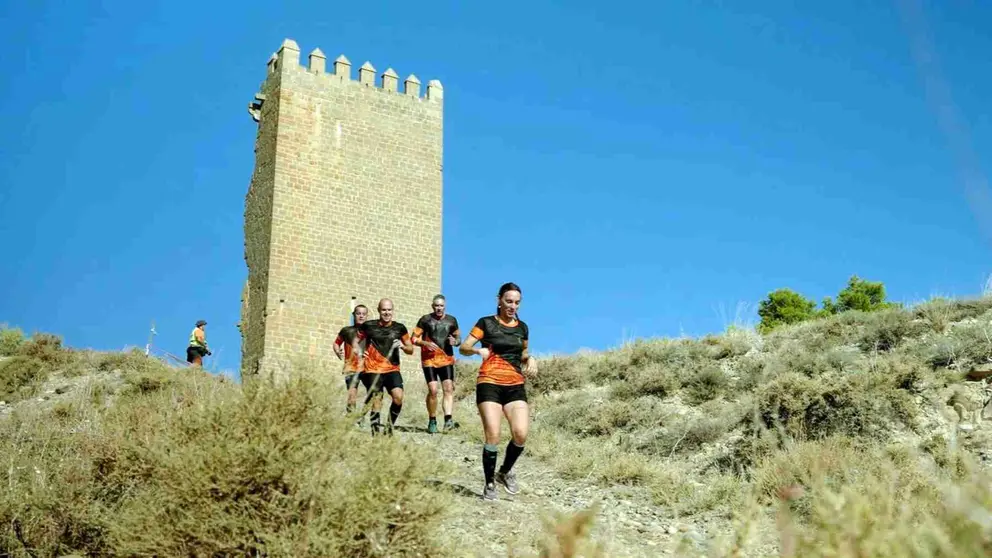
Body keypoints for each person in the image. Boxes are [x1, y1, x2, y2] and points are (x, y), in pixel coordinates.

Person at [459, 282, 538, 501]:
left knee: (521, 433)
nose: (513, 306)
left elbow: (523, 353)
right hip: (489, 382)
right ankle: (489, 483)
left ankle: (504, 472)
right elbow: (463, 347)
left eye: (517, 303)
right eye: (509, 301)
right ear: (499, 300)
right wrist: (477, 350)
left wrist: (530, 359)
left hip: (514, 384)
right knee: (493, 434)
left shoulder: (523, 327)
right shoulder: (485, 323)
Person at [353, 298, 415, 436]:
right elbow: (355, 342)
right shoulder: (368, 326)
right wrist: (360, 351)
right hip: (373, 369)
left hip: (392, 368)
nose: (387, 313)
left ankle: (389, 427)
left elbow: (411, 349)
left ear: (393, 310)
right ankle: (375, 435)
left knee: (398, 397)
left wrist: (403, 346)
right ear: (378, 310)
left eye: (389, 310)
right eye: (384, 310)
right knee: (377, 400)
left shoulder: (400, 328)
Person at [412, 294, 461, 434]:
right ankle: (432, 420)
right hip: (429, 360)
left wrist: (455, 342)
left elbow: (458, 337)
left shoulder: (452, 320)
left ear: (444, 306)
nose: (439, 308)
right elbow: (414, 338)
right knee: (433, 390)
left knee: (448, 388)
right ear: (433, 306)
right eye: (436, 306)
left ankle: (448, 420)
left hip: (446, 358)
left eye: (441, 306)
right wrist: (424, 342)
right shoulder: (425, 320)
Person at [333, 303, 369, 415]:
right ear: (354, 315)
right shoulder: (346, 330)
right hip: (351, 367)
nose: (361, 316)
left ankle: (362, 416)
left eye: (364, 314)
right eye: (358, 313)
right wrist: (337, 351)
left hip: (368, 368)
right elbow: (336, 343)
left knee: (373, 394)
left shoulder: (371, 331)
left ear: (367, 316)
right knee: (352, 396)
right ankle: (350, 419)